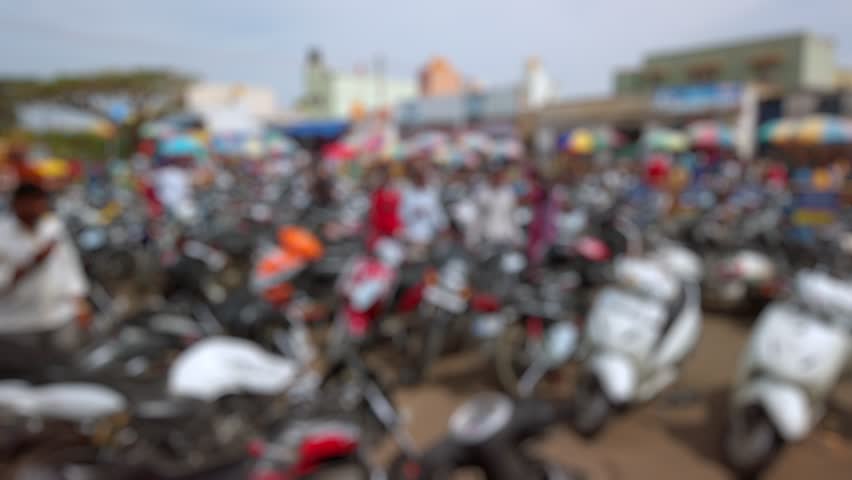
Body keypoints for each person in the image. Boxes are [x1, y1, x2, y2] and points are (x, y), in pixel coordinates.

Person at [0, 183, 90, 376]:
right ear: (16, 204)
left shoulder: (53, 228)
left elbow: (69, 265)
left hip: (57, 318)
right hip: (15, 325)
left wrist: (79, 302)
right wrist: (32, 263)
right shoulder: (2, 234)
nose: (34, 209)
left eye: (38, 203)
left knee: (59, 374)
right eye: (28, 204)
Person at [469, 164, 521, 248]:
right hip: (486, 239)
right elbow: (477, 217)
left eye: (499, 175)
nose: (496, 178)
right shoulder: (481, 194)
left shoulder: (508, 194)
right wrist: (472, 239)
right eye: (494, 175)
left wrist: (517, 238)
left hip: (505, 239)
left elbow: (512, 217)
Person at [400, 164, 447, 249]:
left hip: (429, 234)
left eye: (423, 177)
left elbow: (437, 212)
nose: (421, 179)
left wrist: (441, 227)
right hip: (411, 234)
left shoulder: (431, 193)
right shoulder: (407, 193)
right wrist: (414, 212)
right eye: (418, 177)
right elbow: (401, 213)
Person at [367, 164, 402, 247]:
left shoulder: (395, 195)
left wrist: (397, 228)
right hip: (380, 234)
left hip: (393, 233)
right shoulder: (376, 195)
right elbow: (374, 216)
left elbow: (398, 214)